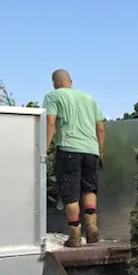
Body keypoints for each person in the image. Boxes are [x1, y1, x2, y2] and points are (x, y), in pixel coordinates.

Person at [43, 70, 106, 247]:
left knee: (70, 193)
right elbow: (100, 128)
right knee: (89, 189)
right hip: (91, 151)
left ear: (54, 82)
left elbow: (50, 122)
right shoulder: (89, 98)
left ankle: (74, 236)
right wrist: (100, 151)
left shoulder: (53, 96)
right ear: (70, 81)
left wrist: (44, 148)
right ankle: (92, 227)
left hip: (69, 149)